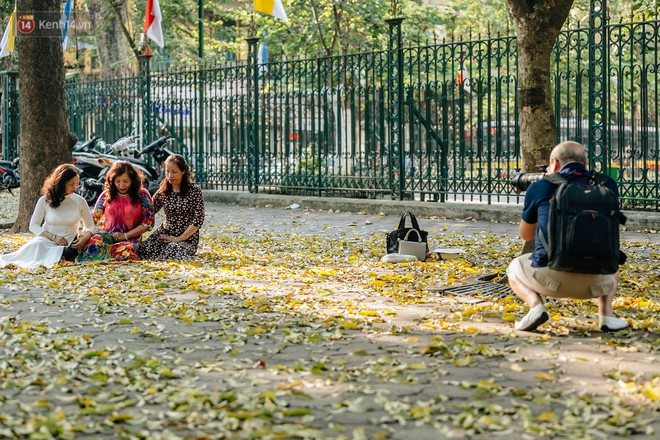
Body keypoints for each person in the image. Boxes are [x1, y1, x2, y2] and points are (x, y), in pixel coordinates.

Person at [506, 141, 628, 332]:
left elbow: (526, 234)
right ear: (584, 164)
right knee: (612, 258)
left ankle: (535, 307)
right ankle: (606, 315)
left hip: (551, 280)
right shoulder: (606, 185)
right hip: (599, 282)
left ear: (554, 163)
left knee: (514, 268)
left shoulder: (540, 187)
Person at [0, 164, 94, 269]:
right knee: (36, 246)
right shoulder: (45, 200)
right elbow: (33, 225)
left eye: (77, 183)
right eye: (71, 184)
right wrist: (54, 237)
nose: (75, 187)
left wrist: (85, 237)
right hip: (46, 240)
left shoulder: (80, 201)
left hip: (67, 243)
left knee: (59, 253)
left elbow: (90, 226)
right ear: (61, 183)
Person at [78, 161, 155, 262]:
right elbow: (93, 218)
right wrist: (84, 234)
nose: (121, 185)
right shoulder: (106, 195)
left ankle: (108, 259)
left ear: (133, 180)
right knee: (94, 242)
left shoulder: (142, 195)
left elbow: (148, 223)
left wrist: (125, 236)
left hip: (130, 239)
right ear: (112, 180)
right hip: (107, 236)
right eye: (117, 181)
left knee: (126, 250)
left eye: (125, 181)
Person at [138, 154, 205, 261]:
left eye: (174, 172)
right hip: (166, 233)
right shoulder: (163, 191)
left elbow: (198, 220)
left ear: (183, 171)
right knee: (142, 249)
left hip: (186, 238)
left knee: (173, 248)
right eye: (167, 172)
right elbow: (149, 211)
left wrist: (179, 238)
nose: (170, 175)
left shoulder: (194, 190)